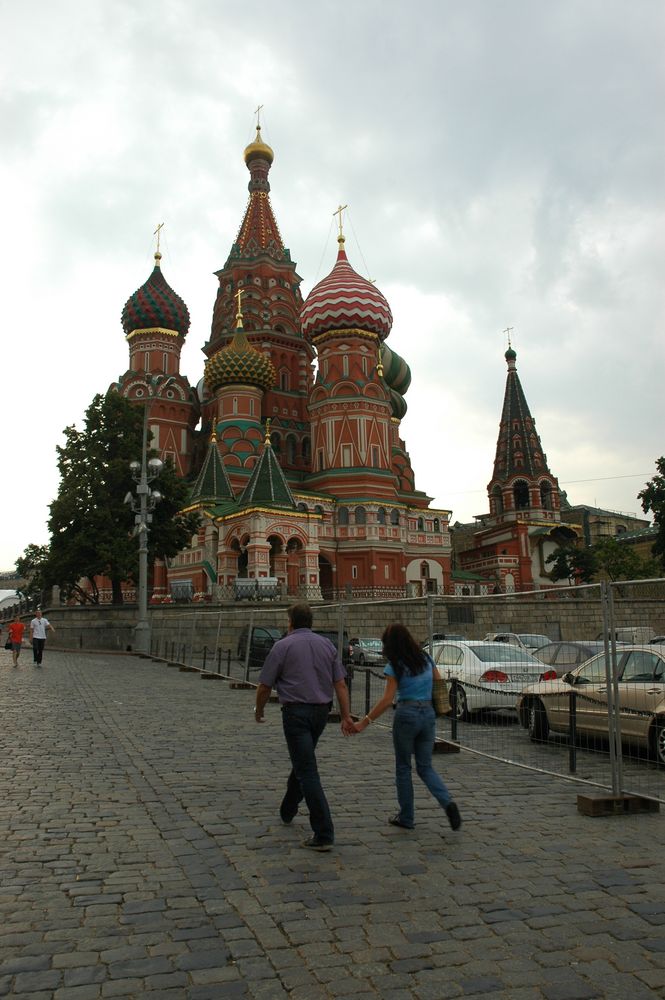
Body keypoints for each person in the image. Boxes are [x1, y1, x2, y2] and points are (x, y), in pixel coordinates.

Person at [254, 603, 354, 852]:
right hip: (321, 713)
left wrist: (259, 710)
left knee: (307, 769)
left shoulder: (283, 645)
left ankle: (323, 832)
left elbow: (265, 685)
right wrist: (346, 716)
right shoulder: (326, 645)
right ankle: (288, 807)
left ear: (290, 622)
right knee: (303, 760)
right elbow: (340, 684)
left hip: (296, 714)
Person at [353, 622, 461, 832]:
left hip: (406, 714)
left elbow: (386, 700)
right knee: (425, 767)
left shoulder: (395, 665)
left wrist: (363, 722)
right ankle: (448, 803)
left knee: (403, 767)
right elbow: (439, 683)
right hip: (427, 714)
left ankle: (407, 817)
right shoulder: (426, 658)